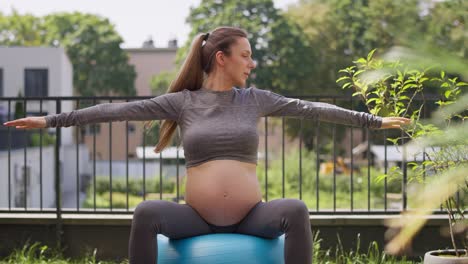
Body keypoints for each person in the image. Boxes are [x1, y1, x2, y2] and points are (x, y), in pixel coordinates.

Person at [3, 26, 411, 264]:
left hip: (252, 216)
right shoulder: (182, 103)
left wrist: (370, 120)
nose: (252, 64)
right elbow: (115, 110)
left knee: (296, 210)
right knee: (146, 212)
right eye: (246, 55)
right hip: (195, 218)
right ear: (221, 58)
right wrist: (52, 120)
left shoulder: (256, 100)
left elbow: (311, 109)